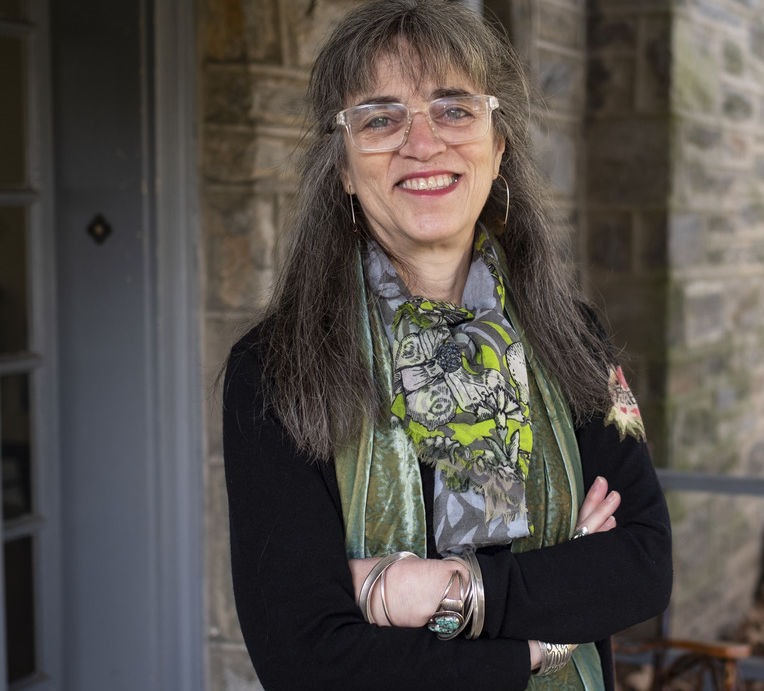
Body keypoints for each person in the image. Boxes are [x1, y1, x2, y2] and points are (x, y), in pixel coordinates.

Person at [220, 1, 673, 689]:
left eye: (454, 109)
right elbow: (305, 658)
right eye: (379, 118)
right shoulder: (278, 370)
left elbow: (641, 567)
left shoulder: (573, 339)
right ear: (343, 165)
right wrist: (536, 639)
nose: (421, 142)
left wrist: (431, 588)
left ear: (497, 148)